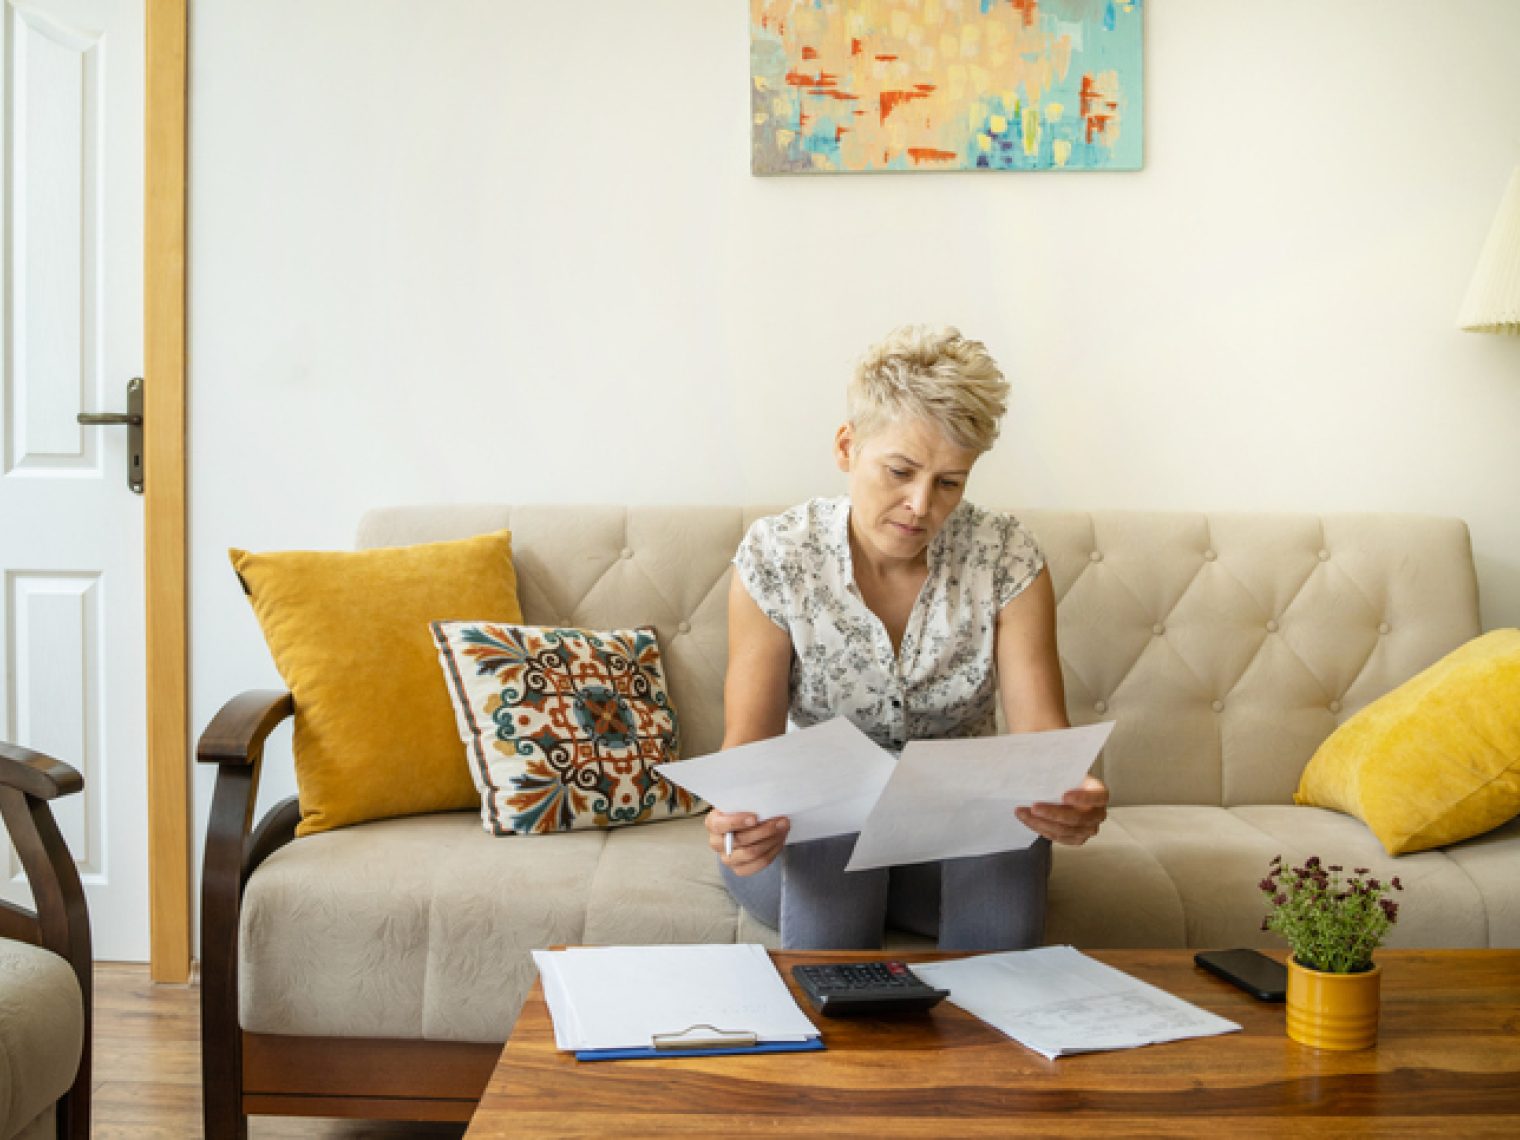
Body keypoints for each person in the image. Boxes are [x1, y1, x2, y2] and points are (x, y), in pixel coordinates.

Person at [706, 324, 1109, 951]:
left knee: (1007, 843)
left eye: (949, 482)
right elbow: (748, 760)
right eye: (900, 471)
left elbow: (1042, 748)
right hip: (807, 845)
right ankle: (845, 1044)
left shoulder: (1007, 558)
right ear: (847, 447)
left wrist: (1068, 802)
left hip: (949, 847)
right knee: (833, 838)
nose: (921, 505)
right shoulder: (778, 555)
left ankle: (998, 1044)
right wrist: (737, 820)